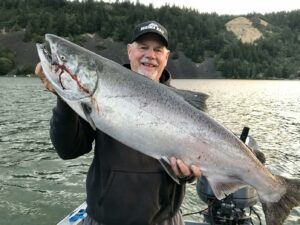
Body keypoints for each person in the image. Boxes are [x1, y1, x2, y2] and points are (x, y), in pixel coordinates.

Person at [35, 21, 202, 225]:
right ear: (130, 51)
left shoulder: (185, 108)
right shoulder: (99, 92)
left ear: (166, 57)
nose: (150, 55)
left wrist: (186, 174)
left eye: (158, 49)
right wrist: (64, 96)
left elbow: (187, 171)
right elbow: (68, 150)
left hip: (164, 220)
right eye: (143, 47)